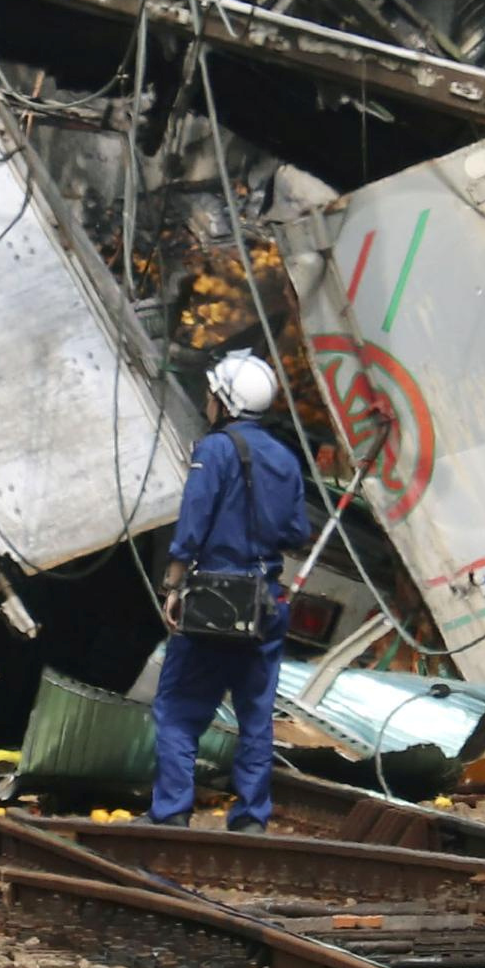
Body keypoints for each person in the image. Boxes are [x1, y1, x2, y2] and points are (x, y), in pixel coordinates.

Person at [148, 350, 316, 832]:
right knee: (256, 713)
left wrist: (174, 584)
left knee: (178, 708)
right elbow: (296, 532)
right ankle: (250, 820)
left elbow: (193, 523)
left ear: (224, 399)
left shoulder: (214, 450)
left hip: (213, 599)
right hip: (265, 600)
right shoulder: (285, 457)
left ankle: (172, 813)